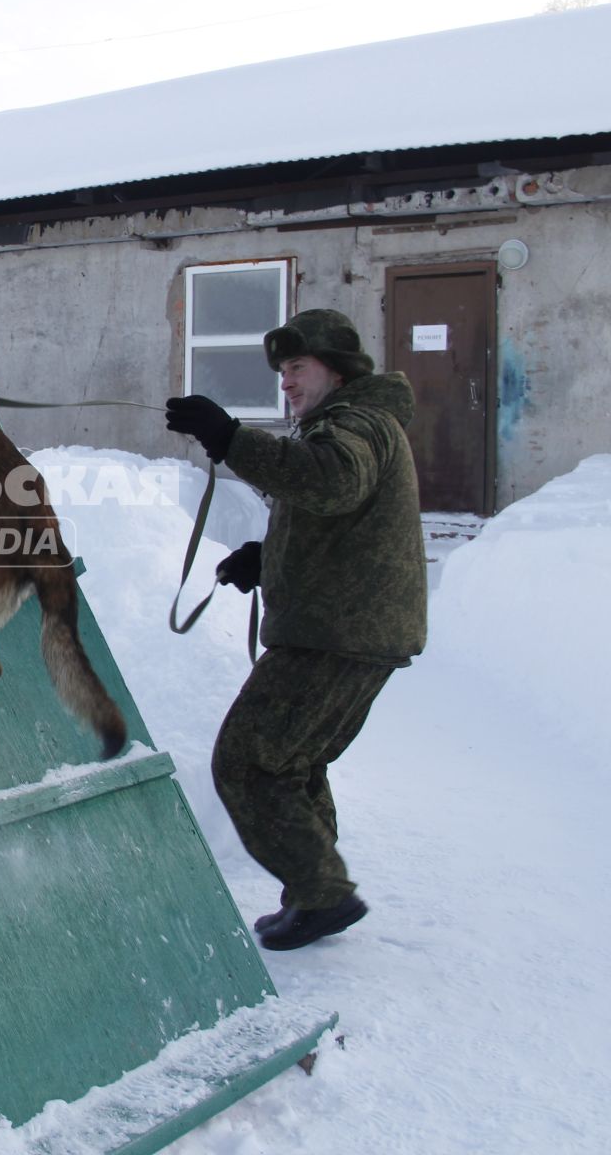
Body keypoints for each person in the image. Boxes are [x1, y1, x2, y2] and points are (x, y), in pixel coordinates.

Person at [164, 308, 426, 951]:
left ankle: (322, 894)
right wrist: (266, 555)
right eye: (282, 370)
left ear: (336, 370)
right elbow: (330, 510)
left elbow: (331, 482)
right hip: (349, 627)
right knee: (293, 762)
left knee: (249, 761)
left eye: (297, 367)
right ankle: (315, 896)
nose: (286, 381)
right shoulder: (347, 423)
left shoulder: (358, 423)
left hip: (338, 632)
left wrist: (229, 438)